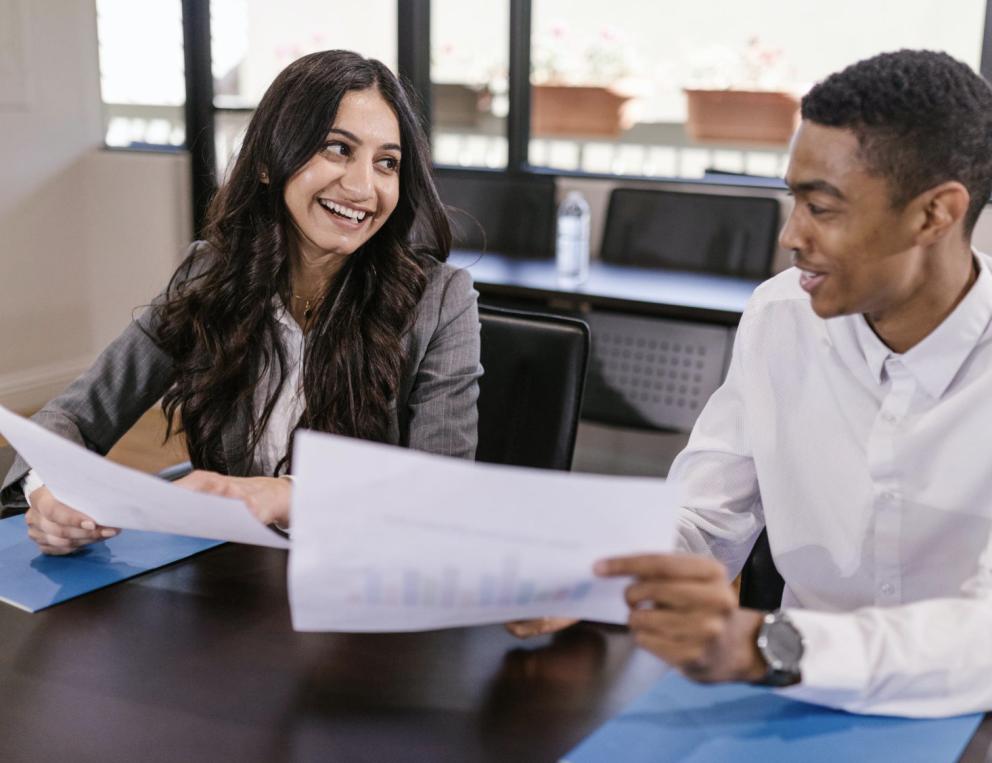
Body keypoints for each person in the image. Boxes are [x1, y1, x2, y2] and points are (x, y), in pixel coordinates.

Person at [516, 49, 992, 718]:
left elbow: (982, 636)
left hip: (962, 714)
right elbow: (706, 516)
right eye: (792, 199)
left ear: (934, 215)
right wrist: (582, 575)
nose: (790, 236)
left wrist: (769, 644)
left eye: (822, 208)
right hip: (796, 702)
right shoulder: (781, 315)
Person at [0, 50, 482, 553]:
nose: (363, 186)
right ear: (270, 164)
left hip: (358, 585)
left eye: (387, 162)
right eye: (338, 149)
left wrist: (286, 496)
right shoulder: (209, 272)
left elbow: (438, 495)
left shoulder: (442, 300)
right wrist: (49, 493)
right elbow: (75, 415)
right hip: (225, 582)